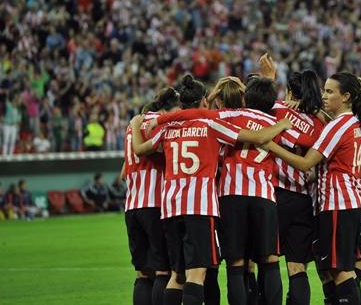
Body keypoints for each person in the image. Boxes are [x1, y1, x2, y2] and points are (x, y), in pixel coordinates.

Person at [131, 74, 292, 305]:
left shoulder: (169, 127)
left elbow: (140, 149)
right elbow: (258, 136)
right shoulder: (211, 123)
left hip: (169, 207)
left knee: (177, 275)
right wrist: (282, 123)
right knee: (198, 273)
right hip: (199, 206)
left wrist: (137, 124)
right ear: (205, 101)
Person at [265, 72, 361, 305]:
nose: (324, 96)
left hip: (335, 206)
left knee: (338, 271)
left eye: (330, 92)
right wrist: (342, 172)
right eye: (324, 90)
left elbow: (305, 163)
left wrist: (270, 144)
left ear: (346, 96)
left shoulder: (336, 127)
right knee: (349, 266)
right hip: (356, 202)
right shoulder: (356, 123)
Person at [259, 54, 326, 305]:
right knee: (297, 268)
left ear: (289, 92)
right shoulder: (319, 126)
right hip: (302, 200)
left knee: (269, 261)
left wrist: (268, 79)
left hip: (273, 195)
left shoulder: (276, 110)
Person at [123, 87, 180, 305]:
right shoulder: (162, 122)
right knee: (162, 272)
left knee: (142, 274)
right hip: (155, 206)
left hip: (132, 206)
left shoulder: (133, 126)